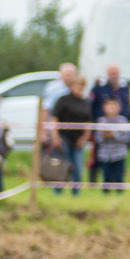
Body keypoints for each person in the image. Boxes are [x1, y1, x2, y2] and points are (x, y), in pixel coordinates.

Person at [43, 63, 93, 195]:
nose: (80, 88)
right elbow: (54, 118)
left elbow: (88, 122)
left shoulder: (85, 102)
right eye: (78, 86)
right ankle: (57, 192)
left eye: (82, 86)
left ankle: (76, 193)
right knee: (61, 164)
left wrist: (85, 138)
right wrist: (54, 136)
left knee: (77, 167)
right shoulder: (63, 100)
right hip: (63, 137)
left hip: (78, 140)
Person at [86, 65, 130, 185]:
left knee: (118, 166)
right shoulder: (99, 87)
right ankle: (93, 182)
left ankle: (117, 185)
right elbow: (91, 106)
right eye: (111, 72)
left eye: (115, 72)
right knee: (96, 158)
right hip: (101, 126)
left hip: (119, 129)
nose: (113, 75)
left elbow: (128, 105)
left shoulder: (124, 87)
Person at [95, 106, 130, 192]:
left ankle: (120, 194)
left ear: (119, 108)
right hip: (105, 154)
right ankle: (106, 194)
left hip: (119, 154)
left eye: (113, 106)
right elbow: (97, 138)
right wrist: (104, 136)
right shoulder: (101, 121)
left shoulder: (122, 121)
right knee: (106, 176)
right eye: (109, 106)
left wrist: (114, 135)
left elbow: (127, 137)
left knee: (119, 176)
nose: (111, 109)